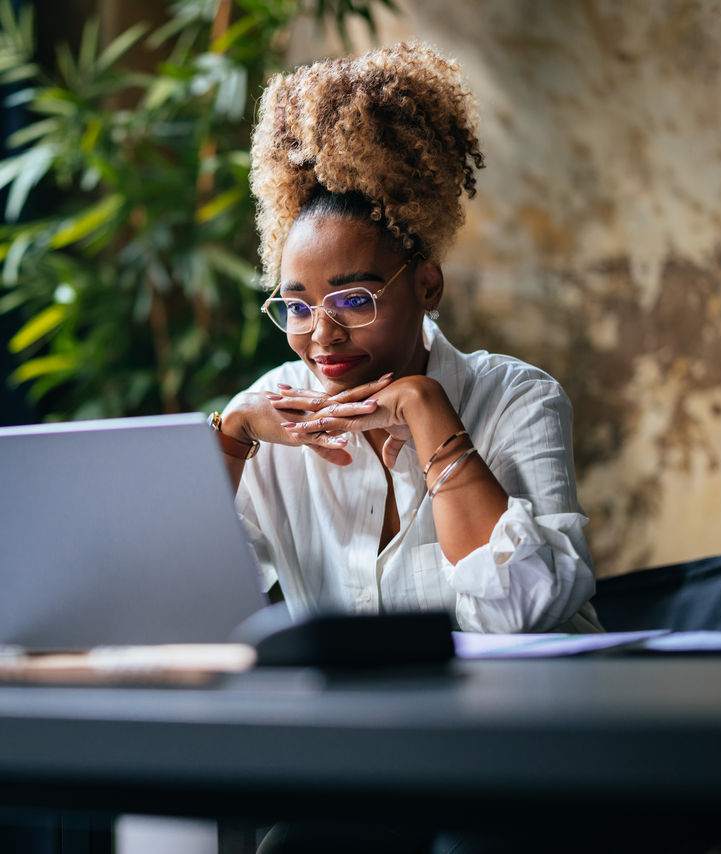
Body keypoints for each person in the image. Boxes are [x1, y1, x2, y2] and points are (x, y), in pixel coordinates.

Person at [209, 42, 602, 635]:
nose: (322, 335)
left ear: (426, 285)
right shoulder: (276, 413)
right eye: (297, 306)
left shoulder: (519, 400)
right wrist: (232, 436)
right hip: (360, 728)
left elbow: (523, 615)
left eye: (353, 300)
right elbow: (169, 602)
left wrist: (426, 412)